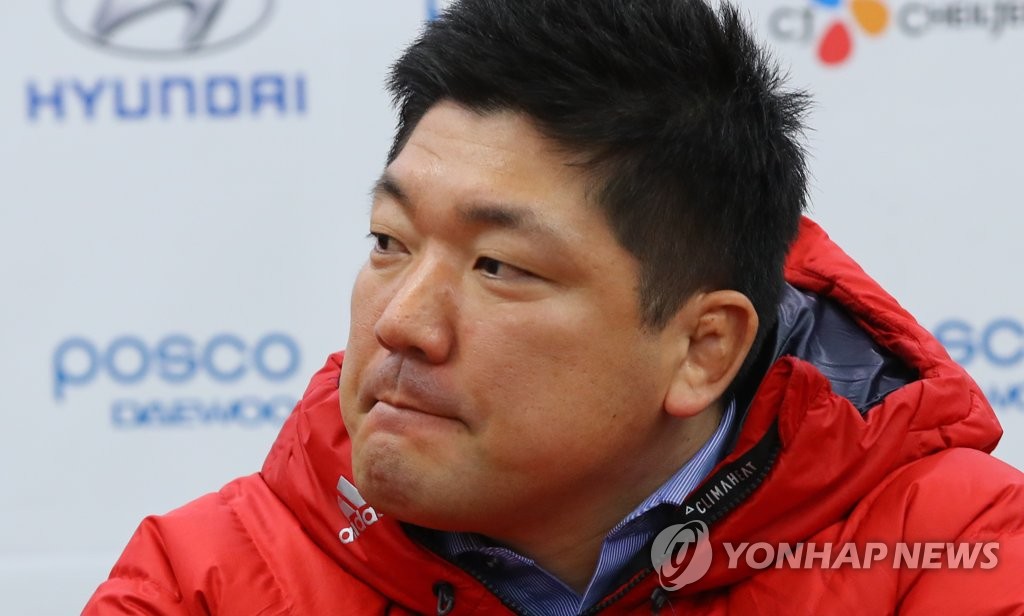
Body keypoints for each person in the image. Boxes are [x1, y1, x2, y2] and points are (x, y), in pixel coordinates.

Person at [84, 0, 1024, 614]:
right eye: (389, 241)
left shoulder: (954, 552)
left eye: (498, 266)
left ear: (703, 348)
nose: (402, 323)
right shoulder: (207, 578)